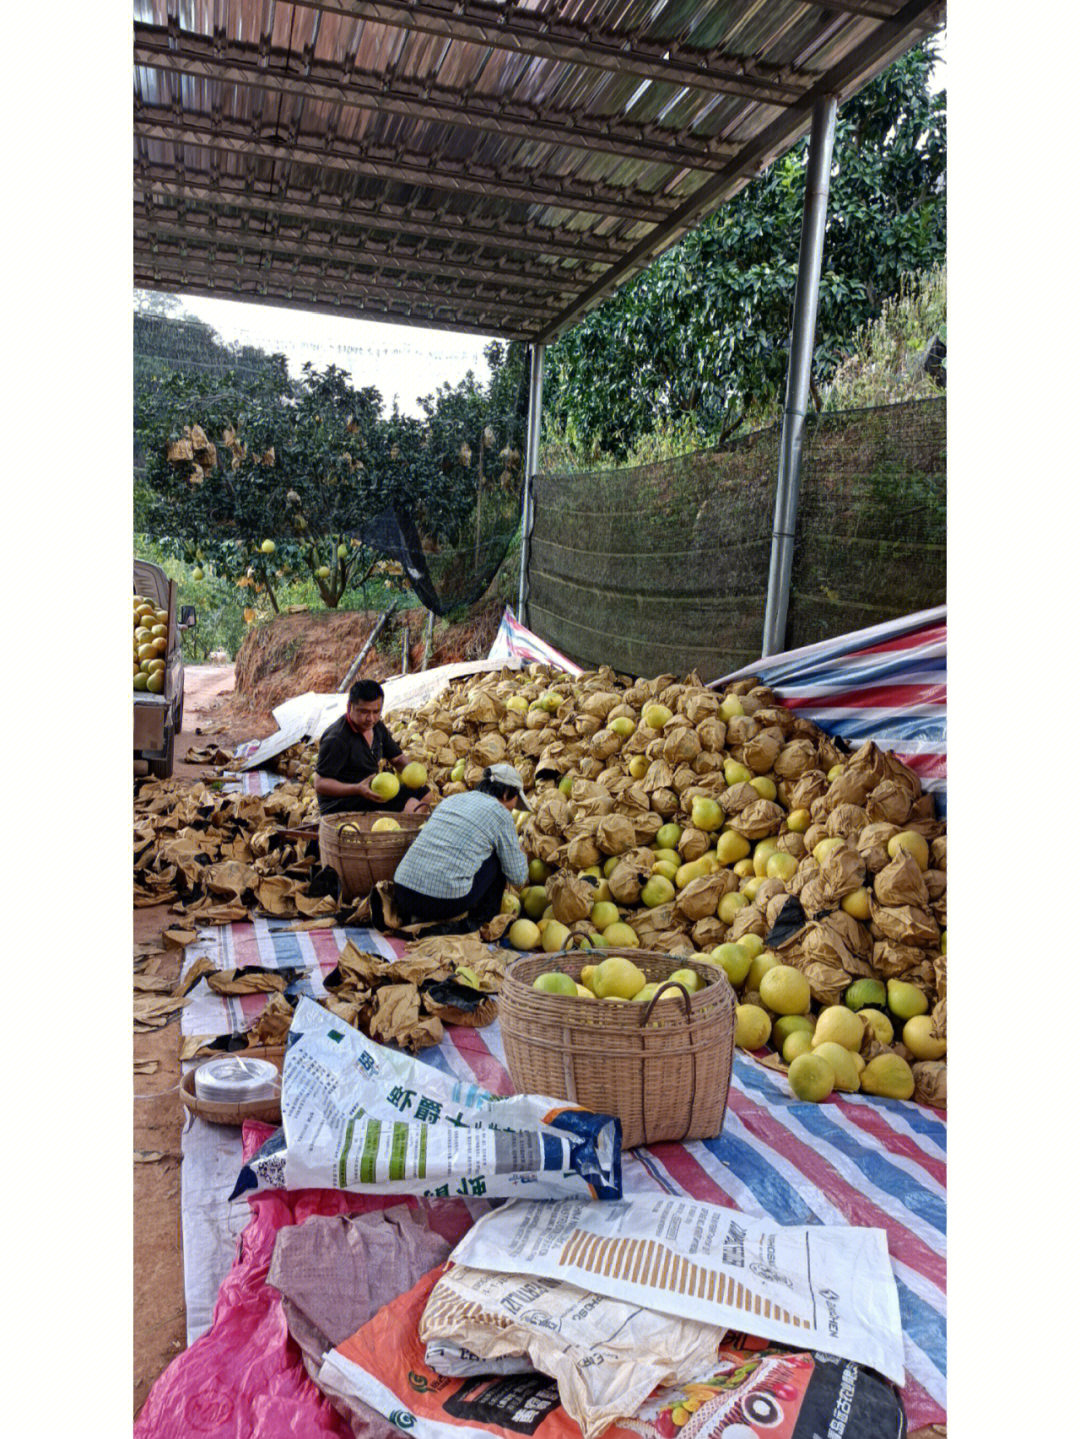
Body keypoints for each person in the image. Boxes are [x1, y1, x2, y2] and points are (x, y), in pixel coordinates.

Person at [389, 764, 530, 930]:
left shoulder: (451, 800)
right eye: (515, 800)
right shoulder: (501, 814)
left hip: (403, 894)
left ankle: (418, 917)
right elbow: (518, 877)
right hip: (442, 903)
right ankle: (480, 922)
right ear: (506, 793)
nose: (514, 806)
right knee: (499, 857)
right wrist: (520, 853)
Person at [314, 678, 432, 816]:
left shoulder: (377, 727)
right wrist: (357, 789)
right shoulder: (337, 739)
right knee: (411, 807)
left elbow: (397, 758)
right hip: (343, 801)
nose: (370, 718)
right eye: (364, 712)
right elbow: (320, 783)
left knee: (425, 794)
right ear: (349, 707)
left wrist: (415, 773)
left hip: (371, 790)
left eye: (376, 712)